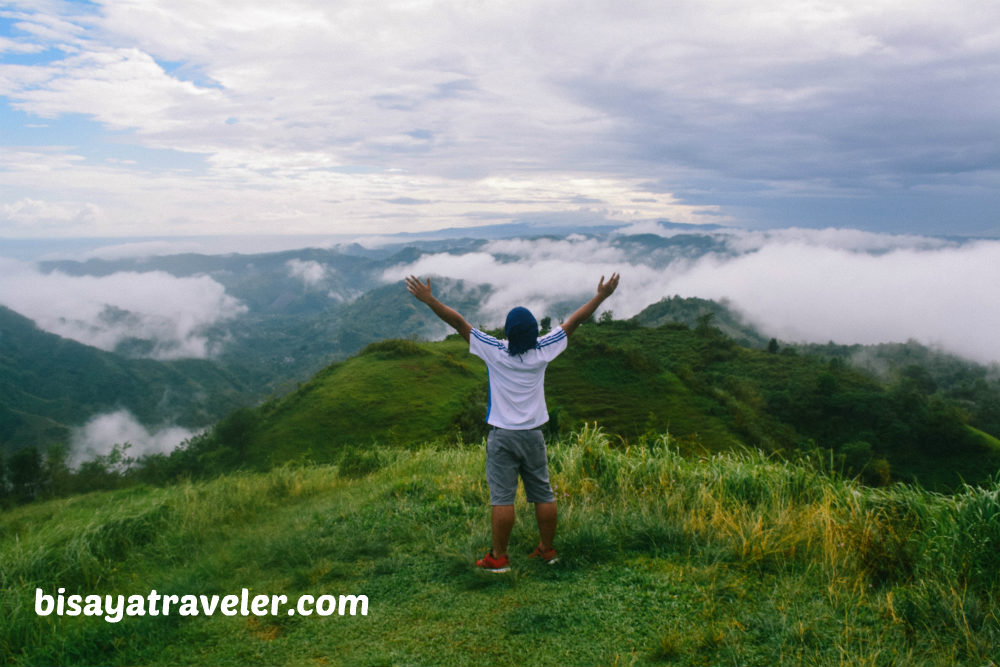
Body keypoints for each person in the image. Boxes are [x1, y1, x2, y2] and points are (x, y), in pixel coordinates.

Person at [405, 273, 620, 572]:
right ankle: (547, 550)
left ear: (508, 332)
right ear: (534, 333)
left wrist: (429, 300)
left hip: (503, 436)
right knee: (543, 494)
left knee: (502, 498)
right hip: (533, 436)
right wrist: (601, 296)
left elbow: (459, 323)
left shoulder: (495, 351)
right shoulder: (544, 350)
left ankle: (499, 558)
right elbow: (574, 322)